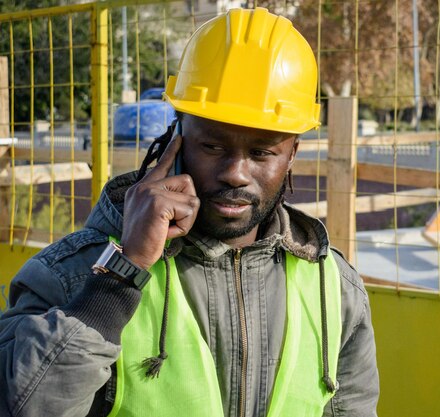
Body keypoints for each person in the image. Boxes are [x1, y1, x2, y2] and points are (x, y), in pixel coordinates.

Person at [0, 7, 379, 417]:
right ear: (175, 139)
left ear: (291, 156)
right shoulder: (72, 275)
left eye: (261, 152)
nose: (235, 173)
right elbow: (23, 405)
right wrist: (121, 275)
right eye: (213, 146)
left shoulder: (332, 287)